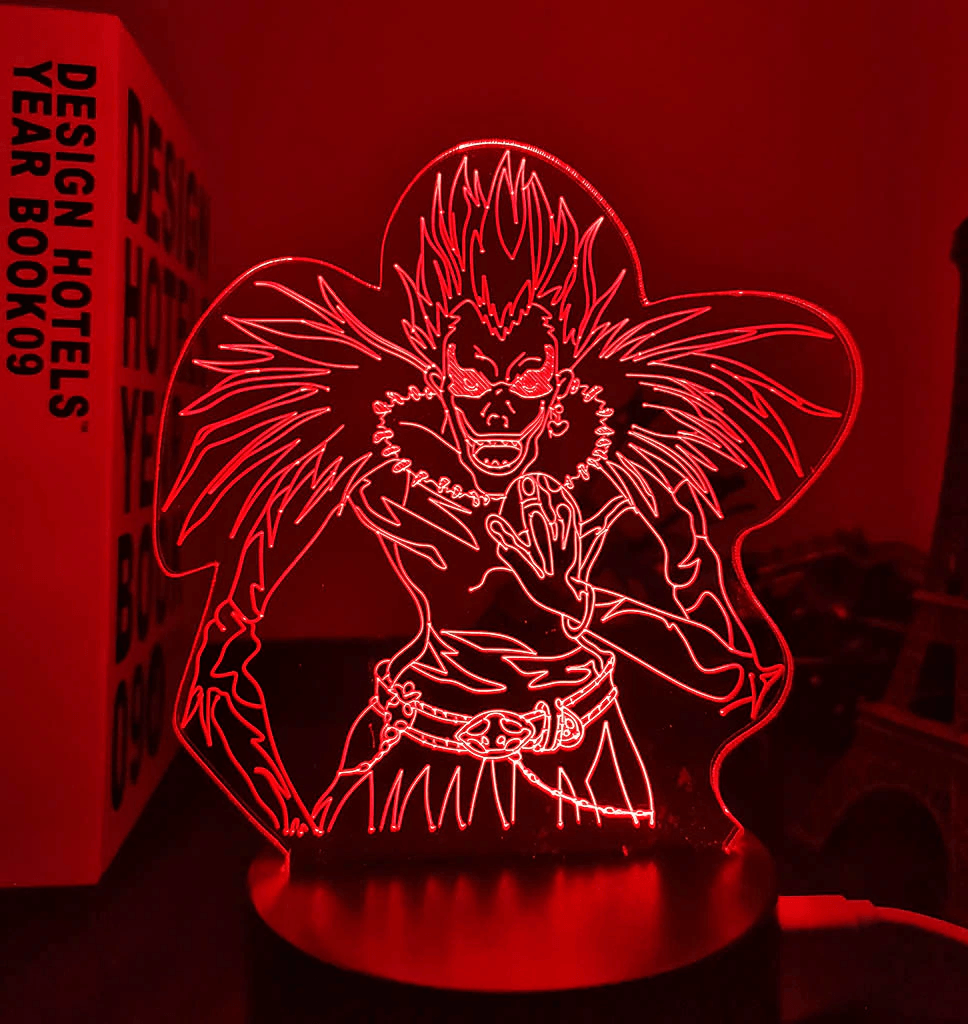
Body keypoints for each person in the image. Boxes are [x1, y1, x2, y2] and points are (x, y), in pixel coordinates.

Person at [157, 144, 857, 857]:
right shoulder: (383, 474)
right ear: (435, 374)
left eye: (525, 380)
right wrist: (295, 832)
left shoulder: (617, 471)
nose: (496, 410)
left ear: (561, 383)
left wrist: (574, 603)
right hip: (415, 760)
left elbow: (736, 678)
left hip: (591, 771)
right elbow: (214, 680)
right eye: (471, 380)